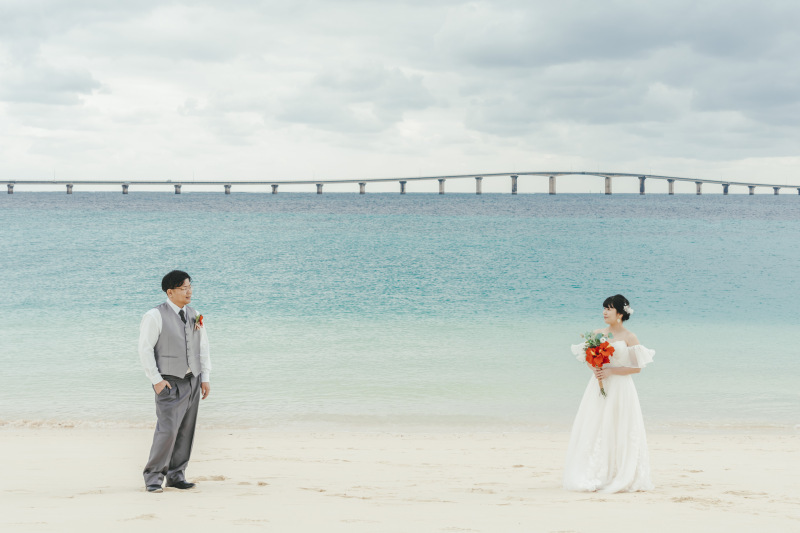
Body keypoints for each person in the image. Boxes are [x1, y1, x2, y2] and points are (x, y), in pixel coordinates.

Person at [563, 294, 654, 493]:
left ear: (620, 313)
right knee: (596, 424)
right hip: (599, 384)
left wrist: (612, 371)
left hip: (621, 387)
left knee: (619, 425)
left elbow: (637, 367)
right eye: (604, 308)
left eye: (609, 308)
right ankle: (595, 470)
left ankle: (618, 472)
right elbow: (589, 358)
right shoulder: (597, 334)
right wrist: (594, 368)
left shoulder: (630, 337)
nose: (604, 312)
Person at [139, 270, 211, 493]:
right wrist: (156, 380)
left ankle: (176, 475)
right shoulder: (155, 316)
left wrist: (205, 377)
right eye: (183, 288)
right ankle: (153, 478)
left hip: (192, 379)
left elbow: (203, 347)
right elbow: (145, 349)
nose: (189, 291)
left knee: (186, 430)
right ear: (170, 292)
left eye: (190, 286)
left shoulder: (195, 314)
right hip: (169, 382)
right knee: (167, 431)